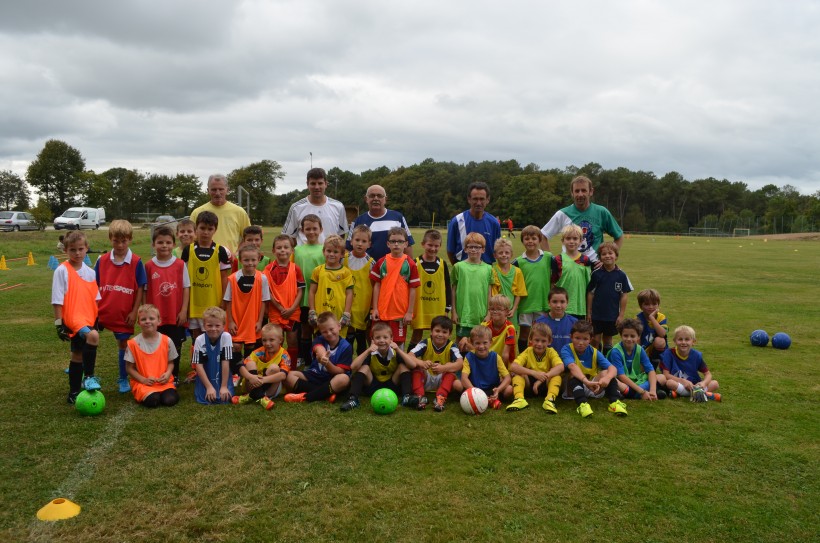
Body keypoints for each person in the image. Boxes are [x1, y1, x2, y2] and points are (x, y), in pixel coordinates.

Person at [94, 219, 147, 394]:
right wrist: (93, 310)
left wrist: (135, 311)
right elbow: (94, 285)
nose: (120, 244)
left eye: (124, 241)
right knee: (90, 339)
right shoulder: (101, 261)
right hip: (102, 311)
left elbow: (140, 287)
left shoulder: (136, 262)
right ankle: (87, 375)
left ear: (130, 240)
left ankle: (123, 378)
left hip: (125, 313)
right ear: (110, 239)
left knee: (123, 344)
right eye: (116, 241)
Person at [52, 230, 102, 404]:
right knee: (93, 336)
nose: (77, 253)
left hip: (89, 318)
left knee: (78, 356)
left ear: (86, 248)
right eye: (73, 250)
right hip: (73, 318)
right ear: (66, 250)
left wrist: (97, 319)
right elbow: (57, 300)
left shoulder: (90, 272)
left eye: (81, 249)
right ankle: (89, 377)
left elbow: (95, 299)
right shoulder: (61, 271)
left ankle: (73, 392)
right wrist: (59, 324)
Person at [540, 175, 624, 263]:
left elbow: (619, 236)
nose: (580, 194)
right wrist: (551, 261)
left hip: (594, 269)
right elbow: (543, 236)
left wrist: (606, 259)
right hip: (569, 268)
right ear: (572, 193)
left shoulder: (601, 212)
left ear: (591, 191)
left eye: (584, 190)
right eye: (577, 191)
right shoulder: (562, 214)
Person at [144, 226, 189, 386]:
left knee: (174, 345)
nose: (164, 246)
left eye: (168, 242)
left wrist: (184, 310)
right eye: (160, 242)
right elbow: (145, 290)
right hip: (155, 317)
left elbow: (186, 288)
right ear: (153, 244)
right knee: (156, 345)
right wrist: (145, 313)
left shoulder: (180, 264)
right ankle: (157, 374)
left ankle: (174, 376)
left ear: (173, 244)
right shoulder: (148, 266)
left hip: (175, 314)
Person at [339, 321, 416, 412]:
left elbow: (413, 365)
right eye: (378, 337)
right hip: (373, 386)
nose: (382, 340)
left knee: (403, 366)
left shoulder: (395, 352)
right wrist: (367, 351)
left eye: (385, 337)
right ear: (372, 340)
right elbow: (353, 367)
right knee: (364, 368)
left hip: (392, 385)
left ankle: (406, 397)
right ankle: (353, 399)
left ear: (391, 339)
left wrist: (398, 350)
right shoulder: (371, 353)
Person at [180, 211, 231, 340]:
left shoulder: (221, 251)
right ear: (196, 228)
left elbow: (224, 277)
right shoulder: (188, 250)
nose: (206, 232)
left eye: (210, 229)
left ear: (215, 230)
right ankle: (196, 360)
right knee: (196, 339)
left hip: (213, 304)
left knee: (213, 338)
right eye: (202, 228)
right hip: (194, 303)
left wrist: (223, 301)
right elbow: (183, 278)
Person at [560, 320, 627, 418]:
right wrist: (586, 381)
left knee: (606, 373)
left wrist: (607, 378)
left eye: (585, 339)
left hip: (592, 386)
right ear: (571, 337)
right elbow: (572, 367)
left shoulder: (594, 352)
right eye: (577, 338)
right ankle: (583, 404)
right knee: (573, 373)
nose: (581, 343)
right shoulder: (566, 349)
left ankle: (614, 403)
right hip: (572, 388)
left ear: (590, 339)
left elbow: (613, 368)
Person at [284, 312, 352, 403]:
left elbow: (340, 371)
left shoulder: (346, 346)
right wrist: (323, 356)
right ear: (320, 332)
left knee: (344, 379)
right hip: (315, 375)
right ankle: (325, 394)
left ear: (339, 326)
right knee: (288, 376)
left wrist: (327, 363)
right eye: (324, 331)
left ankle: (305, 397)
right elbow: (319, 349)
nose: (329, 333)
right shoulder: (319, 339)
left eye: (331, 329)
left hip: (332, 379)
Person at [370, 227, 420, 348]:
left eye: (400, 241)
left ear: (406, 244)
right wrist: (375, 308)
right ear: (388, 244)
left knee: (398, 344)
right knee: (378, 341)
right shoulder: (381, 262)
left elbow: (413, 289)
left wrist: (409, 312)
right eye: (393, 241)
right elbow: (376, 285)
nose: (396, 244)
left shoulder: (410, 264)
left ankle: (400, 367)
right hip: (382, 312)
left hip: (400, 313)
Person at [125, 304, 179, 408]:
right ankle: (150, 394)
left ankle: (161, 393)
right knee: (153, 401)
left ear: (159, 321)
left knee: (170, 400)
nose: (147, 321)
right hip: (143, 384)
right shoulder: (133, 343)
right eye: (143, 319)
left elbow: (171, 362)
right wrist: (143, 380)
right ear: (139, 322)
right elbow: (129, 368)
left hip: (164, 382)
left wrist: (167, 374)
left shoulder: (167, 340)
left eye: (152, 318)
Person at [263, 234, 305, 368]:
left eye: (286, 247)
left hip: (293, 311)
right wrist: (280, 308)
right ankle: (276, 366)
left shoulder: (295, 268)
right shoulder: (269, 269)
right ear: (273, 251)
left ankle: (291, 368)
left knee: (292, 341)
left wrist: (292, 308)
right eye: (279, 247)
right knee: (275, 341)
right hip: (276, 313)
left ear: (292, 250)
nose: (282, 250)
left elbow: (300, 290)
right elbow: (267, 292)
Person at [224, 244, 271, 361]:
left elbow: (264, 301)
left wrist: (260, 321)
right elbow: (228, 301)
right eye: (246, 260)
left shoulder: (262, 278)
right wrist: (230, 321)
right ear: (240, 260)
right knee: (236, 345)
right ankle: (236, 372)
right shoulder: (233, 278)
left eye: (253, 260)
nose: (250, 263)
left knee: (250, 345)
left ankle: (248, 371)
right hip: (236, 319)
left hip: (252, 319)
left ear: (259, 259)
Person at [408, 316, 464, 412]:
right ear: (431, 331)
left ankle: (440, 398)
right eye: (437, 331)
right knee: (417, 369)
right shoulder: (425, 343)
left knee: (451, 374)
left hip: (442, 380)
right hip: (426, 378)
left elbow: (460, 363)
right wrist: (421, 362)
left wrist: (444, 367)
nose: (440, 334)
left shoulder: (452, 346)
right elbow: (409, 355)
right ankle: (419, 397)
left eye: (444, 332)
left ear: (450, 334)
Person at [513, 225, 555, 353]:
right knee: (524, 334)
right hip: (525, 304)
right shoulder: (518, 262)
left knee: (541, 335)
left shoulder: (548, 257)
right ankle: (523, 359)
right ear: (522, 241)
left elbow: (556, 277)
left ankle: (539, 359)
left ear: (539, 240)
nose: (530, 241)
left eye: (533, 238)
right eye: (526, 238)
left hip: (542, 304)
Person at [586, 241, 633, 354]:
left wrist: (621, 315)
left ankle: (607, 364)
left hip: (612, 315)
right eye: (604, 254)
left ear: (616, 256)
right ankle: (595, 363)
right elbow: (590, 293)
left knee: (608, 340)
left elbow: (624, 295)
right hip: (597, 314)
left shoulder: (621, 275)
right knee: (595, 339)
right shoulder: (596, 274)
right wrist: (589, 312)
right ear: (600, 257)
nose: (607, 256)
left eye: (610, 253)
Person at [506, 322, 563, 413]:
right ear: (530, 340)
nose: (539, 344)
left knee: (556, 376)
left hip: (545, 383)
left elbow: (560, 366)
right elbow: (513, 366)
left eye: (543, 341)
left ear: (549, 341)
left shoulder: (551, 352)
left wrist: (542, 378)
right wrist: (534, 373)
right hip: (529, 385)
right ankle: (519, 399)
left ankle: (550, 400)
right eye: (536, 340)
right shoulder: (528, 351)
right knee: (518, 374)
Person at [347, 184, 414, 261]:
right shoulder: (357, 221)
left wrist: (409, 267)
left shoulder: (398, 217)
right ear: (366, 199)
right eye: (372, 196)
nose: (376, 198)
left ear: (385, 199)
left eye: (379, 196)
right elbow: (349, 247)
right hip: (367, 270)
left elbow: (407, 245)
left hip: (394, 269)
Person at [409, 229, 451, 349]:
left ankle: (436, 362)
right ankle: (411, 361)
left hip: (437, 308)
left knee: (438, 337)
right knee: (417, 336)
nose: (433, 248)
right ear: (423, 244)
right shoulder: (415, 263)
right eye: (430, 245)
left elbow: (447, 286)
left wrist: (447, 308)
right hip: (420, 307)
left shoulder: (442, 264)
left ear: (440, 246)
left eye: (436, 246)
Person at [282, 167, 347, 245]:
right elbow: (289, 236)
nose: (316, 187)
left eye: (320, 183)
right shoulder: (296, 207)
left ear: (326, 184)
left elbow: (341, 234)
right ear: (307, 184)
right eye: (313, 183)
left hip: (330, 256)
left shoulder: (338, 206)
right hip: (305, 257)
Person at [232, 323, 290, 410]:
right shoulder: (259, 352)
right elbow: (241, 367)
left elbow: (283, 375)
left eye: (271, 340)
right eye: (264, 340)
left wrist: (262, 380)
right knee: (249, 363)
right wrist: (251, 377)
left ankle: (253, 396)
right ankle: (259, 396)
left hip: (269, 389)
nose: (267, 343)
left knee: (274, 368)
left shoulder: (284, 355)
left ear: (280, 340)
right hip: (252, 383)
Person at [189, 174, 251, 255]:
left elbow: (249, 237)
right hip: (204, 261)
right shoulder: (197, 212)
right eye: (214, 189)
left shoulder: (239, 212)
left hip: (231, 263)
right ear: (208, 190)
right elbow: (192, 238)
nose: (217, 193)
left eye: (221, 189)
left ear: (227, 190)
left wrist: (237, 253)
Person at [293, 214, 325, 365]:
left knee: (320, 329)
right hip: (303, 297)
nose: (311, 232)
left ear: (321, 229)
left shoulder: (325, 250)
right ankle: (304, 358)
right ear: (302, 230)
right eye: (308, 229)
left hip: (320, 297)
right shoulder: (297, 250)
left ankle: (319, 358)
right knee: (305, 330)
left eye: (314, 228)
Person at [451, 232, 495, 342]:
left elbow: (489, 292)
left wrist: (489, 313)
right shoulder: (458, 267)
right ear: (465, 249)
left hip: (481, 314)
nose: (473, 250)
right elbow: (453, 290)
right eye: (470, 247)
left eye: (477, 247)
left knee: (480, 342)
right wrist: (454, 312)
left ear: (483, 249)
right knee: (461, 343)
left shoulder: (489, 269)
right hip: (463, 314)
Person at [309, 235, 354, 337]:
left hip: (338, 315)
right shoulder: (318, 271)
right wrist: (312, 311)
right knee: (320, 345)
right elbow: (312, 291)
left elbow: (349, 293)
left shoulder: (346, 273)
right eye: (328, 251)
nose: (331, 254)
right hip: (321, 315)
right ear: (323, 251)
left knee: (337, 347)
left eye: (335, 252)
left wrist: (347, 313)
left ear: (342, 254)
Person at [609, 318, 665, 401]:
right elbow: (621, 376)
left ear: (638, 337)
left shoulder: (639, 349)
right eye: (625, 335)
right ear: (621, 335)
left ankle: (648, 393)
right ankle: (640, 393)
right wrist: (642, 391)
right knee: (615, 382)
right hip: (624, 382)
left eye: (632, 336)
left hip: (637, 380)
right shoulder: (616, 351)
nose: (629, 339)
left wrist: (653, 391)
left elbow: (650, 370)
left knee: (662, 377)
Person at [447, 181, 501, 265]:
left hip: (486, 272)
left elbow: (498, 251)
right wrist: (459, 269)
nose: (478, 203)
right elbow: (450, 251)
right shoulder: (457, 221)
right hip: (463, 271)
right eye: (475, 199)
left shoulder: (494, 223)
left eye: (482, 199)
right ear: (469, 199)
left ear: (488, 199)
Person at [660, 325, 720, 399]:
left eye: (687, 339)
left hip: (694, 385)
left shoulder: (696, 355)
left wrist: (703, 383)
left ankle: (683, 394)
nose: (683, 342)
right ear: (675, 341)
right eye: (680, 339)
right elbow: (666, 375)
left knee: (715, 383)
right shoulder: (668, 353)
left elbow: (708, 374)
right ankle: (701, 394)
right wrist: (682, 381)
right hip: (678, 383)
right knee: (669, 383)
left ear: (693, 342)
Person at [461, 325, 512, 409]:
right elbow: (464, 378)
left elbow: (507, 377)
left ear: (490, 342)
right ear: (472, 343)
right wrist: (476, 393)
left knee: (509, 389)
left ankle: (491, 399)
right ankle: (488, 401)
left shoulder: (495, 357)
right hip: (475, 389)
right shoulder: (469, 357)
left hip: (493, 389)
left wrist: (498, 390)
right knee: (458, 385)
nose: (481, 346)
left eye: (485, 343)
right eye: (477, 343)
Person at [191, 306, 234, 405]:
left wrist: (223, 386)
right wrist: (209, 387)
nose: (213, 329)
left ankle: (223, 385)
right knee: (204, 398)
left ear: (223, 326)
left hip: (222, 374)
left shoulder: (226, 337)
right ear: (204, 325)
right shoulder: (199, 340)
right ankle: (208, 386)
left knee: (225, 397)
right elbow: (199, 366)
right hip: (206, 376)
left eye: (217, 325)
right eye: (209, 325)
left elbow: (225, 362)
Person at [459, 295, 516, 369]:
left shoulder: (509, 329)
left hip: (505, 365)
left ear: (507, 312)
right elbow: (473, 341)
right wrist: (465, 339)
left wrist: (503, 374)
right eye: (492, 309)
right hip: (488, 361)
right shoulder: (484, 325)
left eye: (499, 309)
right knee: (465, 345)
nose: (495, 311)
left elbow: (505, 355)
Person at [344, 225, 376, 355]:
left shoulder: (372, 263)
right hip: (346, 305)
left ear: (369, 244)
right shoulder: (343, 259)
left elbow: (375, 286)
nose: (359, 244)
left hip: (363, 306)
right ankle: (347, 361)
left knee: (362, 334)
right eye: (357, 240)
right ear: (351, 241)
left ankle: (363, 362)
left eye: (364, 241)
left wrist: (373, 307)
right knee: (348, 333)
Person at [553, 224, 593, 319]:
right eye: (568, 238)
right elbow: (553, 285)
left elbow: (589, 288)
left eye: (575, 239)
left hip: (579, 308)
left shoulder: (585, 260)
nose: (571, 241)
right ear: (563, 241)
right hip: (561, 308)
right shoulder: (558, 260)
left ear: (581, 241)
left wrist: (588, 311)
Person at [491, 237, 526, 327]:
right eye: (500, 253)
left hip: (510, 311)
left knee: (510, 333)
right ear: (495, 255)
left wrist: (514, 309)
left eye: (507, 252)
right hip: (496, 311)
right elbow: (492, 294)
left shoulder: (517, 271)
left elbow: (519, 293)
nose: (504, 255)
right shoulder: (492, 271)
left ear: (511, 254)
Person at [635, 288, 668, 367]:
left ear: (658, 305)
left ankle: (654, 364)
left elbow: (662, 334)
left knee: (660, 341)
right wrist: (639, 354)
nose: (651, 307)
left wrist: (652, 318)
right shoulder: (637, 320)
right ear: (641, 306)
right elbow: (637, 340)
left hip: (658, 349)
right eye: (647, 304)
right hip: (643, 349)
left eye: (654, 304)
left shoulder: (661, 317)